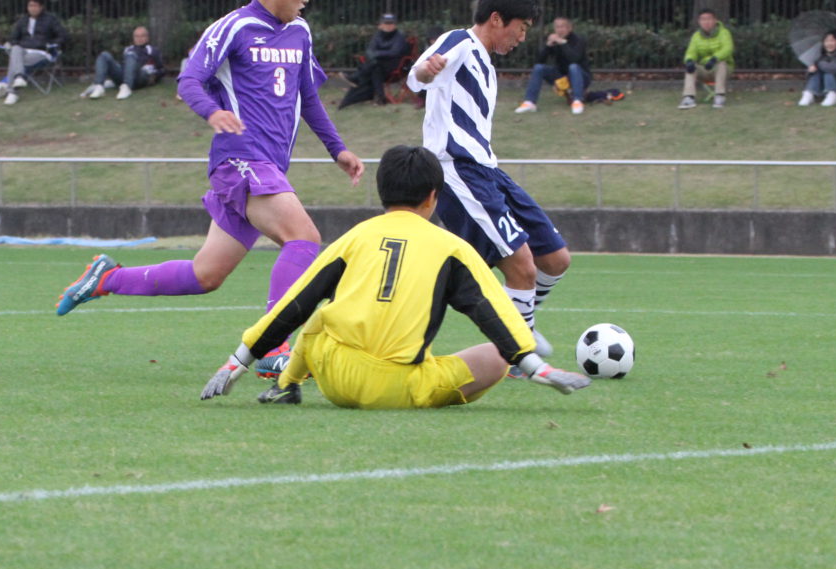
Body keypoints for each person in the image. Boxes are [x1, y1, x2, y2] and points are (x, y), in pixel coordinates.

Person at [54, 0, 364, 375]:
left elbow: (307, 98)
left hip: (267, 166)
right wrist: (214, 113)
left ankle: (106, 277)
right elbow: (189, 80)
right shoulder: (233, 26)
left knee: (206, 275)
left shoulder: (299, 32)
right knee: (305, 238)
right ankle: (273, 347)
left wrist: (339, 149)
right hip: (240, 160)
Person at [198, 145, 591, 407]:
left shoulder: (353, 238)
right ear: (434, 196)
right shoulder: (452, 248)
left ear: (382, 191)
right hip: (400, 390)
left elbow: (296, 302)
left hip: (335, 377)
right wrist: (534, 365)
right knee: (493, 357)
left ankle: (288, 385)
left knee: (321, 315)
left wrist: (238, 360)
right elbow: (492, 313)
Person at [405, 0, 569, 356]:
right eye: (522, 28)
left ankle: (516, 323)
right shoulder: (461, 43)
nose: (523, 38)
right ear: (497, 19)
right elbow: (418, 76)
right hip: (457, 170)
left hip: (488, 169)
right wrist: (427, 71)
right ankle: (517, 351)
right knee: (522, 266)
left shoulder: (486, 65)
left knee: (555, 259)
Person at [0, 0, 66, 106]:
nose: (32, 8)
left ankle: (12, 91)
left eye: (35, 6)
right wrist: (9, 44)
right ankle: (18, 79)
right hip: (23, 51)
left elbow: (63, 36)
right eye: (30, 6)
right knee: (16, 49)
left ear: (41, 7)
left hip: (41, 53)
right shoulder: (23, 21)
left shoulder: (51, 20)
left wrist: (50, 44)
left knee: (15, 61)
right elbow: (14, 38)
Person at [515, 16, 590, 115]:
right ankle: (530, 102)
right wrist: (548, 46)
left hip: (580, 77)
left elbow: (574, 59)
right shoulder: (554, 40)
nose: (559, 30)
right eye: (557, 27)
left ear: (569, 28)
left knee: (573, 67)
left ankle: (577, 101)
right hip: (560, 76)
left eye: (562, 27)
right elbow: (539, 61)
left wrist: (563, 43)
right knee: (539, 68)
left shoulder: (578, 40)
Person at [338, 12, 410, 108]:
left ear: (395, 25)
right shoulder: (377, 36)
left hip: (394, 67)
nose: (388, 26)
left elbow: (394, 53)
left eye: (391, 23)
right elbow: (369, 50)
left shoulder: (399, 36)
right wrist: (374, 55)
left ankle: (356, 78)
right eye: (386, 23)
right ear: (380, 25)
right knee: (375, 69)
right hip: (378, 66)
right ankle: (380, 98)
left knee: (374, 66)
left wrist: (377, 54)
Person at [82, 25, 164, 100]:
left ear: (147, 38)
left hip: (141, 76)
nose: (139, 39)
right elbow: (123, 65)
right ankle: (99, 86)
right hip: (126, 74)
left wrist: (154, 78)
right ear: (133, 38)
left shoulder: (152, 50)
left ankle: (126, 87)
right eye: (136, 36)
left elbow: (161, 69)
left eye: (142, 36)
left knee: (131, 55)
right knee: (104, 55)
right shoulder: (127, 49)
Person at [679, 8, 734, 109]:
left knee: (721, 63)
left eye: (709, 19)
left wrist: (714, 59)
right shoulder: (696, 36)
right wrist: (689, 61)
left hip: (722, 69)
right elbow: (691, 51)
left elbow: (728, 49)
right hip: (705, 68)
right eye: (703, 19)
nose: (706, 22)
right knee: (691, 68)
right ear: (699, 22)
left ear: (715, 20)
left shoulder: (724, 33)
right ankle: (688, 97)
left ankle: (719, 96)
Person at [798, 30, 836, 107]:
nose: (829, 44)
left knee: (828, 70)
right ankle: (809, 94)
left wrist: (818, 64)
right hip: (823, 88)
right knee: (818, 70)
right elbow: (808, 76)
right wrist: (810, 70)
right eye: (826, 41)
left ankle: (833, 95)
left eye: (832, 41)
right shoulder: (820, 56)